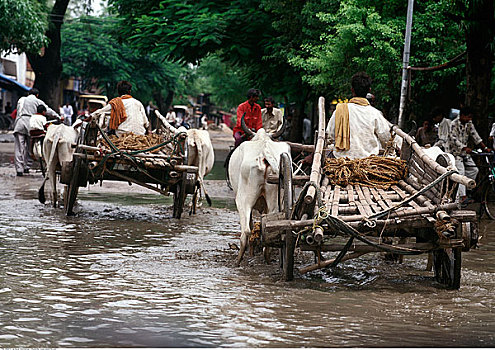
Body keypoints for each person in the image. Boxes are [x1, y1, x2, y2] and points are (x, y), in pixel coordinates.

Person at [326, 72, 391, 159]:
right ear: (369, 91)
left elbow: (329, 136)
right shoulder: (375, 113)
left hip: (341, 160)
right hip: (368, 161)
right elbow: (386, 137)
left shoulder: (340, 110)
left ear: (352, 90)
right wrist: (391, 151)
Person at [13, 88, 61, 176]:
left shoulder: (21, 100)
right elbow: (47, 110)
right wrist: (57, 116)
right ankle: (26, 167)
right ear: (37, 95)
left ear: (28, 93)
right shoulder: (37, 101)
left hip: (19, 123)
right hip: (30, 123)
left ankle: (19, 169)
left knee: (19, 147)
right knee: (30, 146)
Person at [447, 106, 491, 202]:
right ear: (462, 115)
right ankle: (462, 197)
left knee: (474, 170)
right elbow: (453, 139)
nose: (469, 119)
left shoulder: (469, 124)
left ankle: (465, 189)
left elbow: (475, 136)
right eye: (468, 117)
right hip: (455, 153)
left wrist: (485, 148)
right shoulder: (454, 124)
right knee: (461, 172)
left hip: (465, 153)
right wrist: (464, 147)